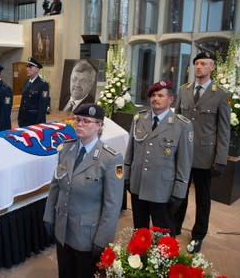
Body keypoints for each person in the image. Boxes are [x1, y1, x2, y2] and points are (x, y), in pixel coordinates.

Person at [43, 103, 124, 278]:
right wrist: (49, 216)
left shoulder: (110, 158)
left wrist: (103, 240)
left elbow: (112, 205)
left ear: (100, 125)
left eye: (86, 121)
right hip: (63, 230)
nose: (79, 124)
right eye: (77, 120)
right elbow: (55, 186)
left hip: (88, 237)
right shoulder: (66, 149)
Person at [174, 52, 231, 253]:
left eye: (204, 64)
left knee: (203, 198)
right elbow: (176, 122)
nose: (199, 67)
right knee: (179, 192)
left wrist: (220, 159)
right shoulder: (184, 90)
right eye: (196, 63)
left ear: (212, 67)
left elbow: (224, 129)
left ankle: (198, 235)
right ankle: (174, 227)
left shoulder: (221, 94)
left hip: (205, 157)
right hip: (183, 153)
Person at [124, 80, 193, 236]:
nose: (156, 98)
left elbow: (184, 163)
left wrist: (180, 191)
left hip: (162, 189)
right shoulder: (139, 119)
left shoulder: (181, 125)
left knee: (163, 234)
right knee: (139, 231)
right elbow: (130, 151)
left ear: (171, 99)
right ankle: (139, 257)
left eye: (161, 95)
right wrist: (126, 176)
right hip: (138, 185)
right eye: (153, 95)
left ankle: (162, 260)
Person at [18, 57, 49, 127]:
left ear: (37, 69)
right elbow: (23, 102)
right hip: (24, 121)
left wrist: (38, 124)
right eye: (27, 66)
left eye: (30, 67)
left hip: (35, 122)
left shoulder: (43, 84)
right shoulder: (26, 83)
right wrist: (19, 118)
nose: (27, 69)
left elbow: (43, 106)